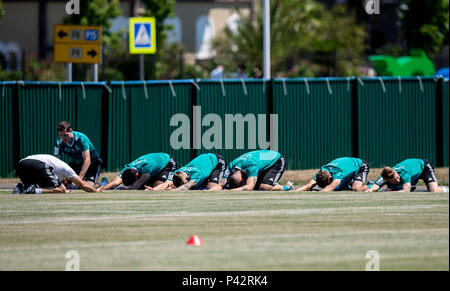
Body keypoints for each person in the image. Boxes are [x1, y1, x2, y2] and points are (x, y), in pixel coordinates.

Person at [13, 154, 101, 194]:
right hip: (37, 164)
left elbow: (60, 186)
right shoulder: (67, 169)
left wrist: (65, 190)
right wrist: (96, 191)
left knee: (30, 188)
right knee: (60, 190)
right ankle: (33, 191)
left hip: (21, 165)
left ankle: (21, 188)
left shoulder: (55, 166)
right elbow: (82, 184)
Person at [54, 121, 102, 187]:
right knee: (66, 185)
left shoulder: (81, 138)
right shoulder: (59, 143)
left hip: (93, 163)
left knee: (87, 187)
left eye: (65, 135)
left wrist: (79, 179)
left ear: (70, 130)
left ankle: (103, 183)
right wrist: (61, 176)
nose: (63, 138)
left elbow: (87, 160)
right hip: (77, 164)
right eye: (61, 135)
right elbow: (57, 162)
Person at [100, 153, 177, 190]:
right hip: (154, 167)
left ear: (137, 175)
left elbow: (135, 187)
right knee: (145, 187)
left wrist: (126, 190)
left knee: (157, 187)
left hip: (167, 163)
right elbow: (114, 183)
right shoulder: (126, 169)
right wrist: (100, 190)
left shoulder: (147, 166)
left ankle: (175, 185)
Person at [365, 158, 448, 193]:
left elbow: (405, 192)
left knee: (433, 191)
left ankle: (446, 189)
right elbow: (374, 187)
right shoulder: (384, 177)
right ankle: (411, 187)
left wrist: (387, 192)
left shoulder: (404, 173)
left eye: (397, 178)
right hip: (413, 172)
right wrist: (370, 190)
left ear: (396, 173)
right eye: (394, 180)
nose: (397, 180)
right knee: (389, 189)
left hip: (424, 167)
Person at [154, 153, 228, 191]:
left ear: (187, 177)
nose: (186, 182)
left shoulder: (197, 173)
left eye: (186, 181)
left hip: (217, 161)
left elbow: (186, 186)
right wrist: (154, 189)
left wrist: (174, 190)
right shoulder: (177, 172)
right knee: (196, 186)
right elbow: (165, 184)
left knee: (212, 188)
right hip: (203, 161)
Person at [226, 150, 293, 191]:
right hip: (262, 161)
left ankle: (288, 187)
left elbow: (249, 187)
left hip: (276, 160)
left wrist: (230, 191)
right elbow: (220, 184)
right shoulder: (231, 165)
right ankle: (273, 184)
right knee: (257, 187)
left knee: (264, 188)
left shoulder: (251, 165)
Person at [296, 157, 370, 192]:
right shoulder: (321, 173)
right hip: (347, 166)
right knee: (338, 188)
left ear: (330, 177)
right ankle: (349, 184)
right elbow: (308, 186)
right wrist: (293, 192)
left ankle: (372, 186)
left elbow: (331, 187)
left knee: (356, 188)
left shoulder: (339, 174)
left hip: (361, 165)